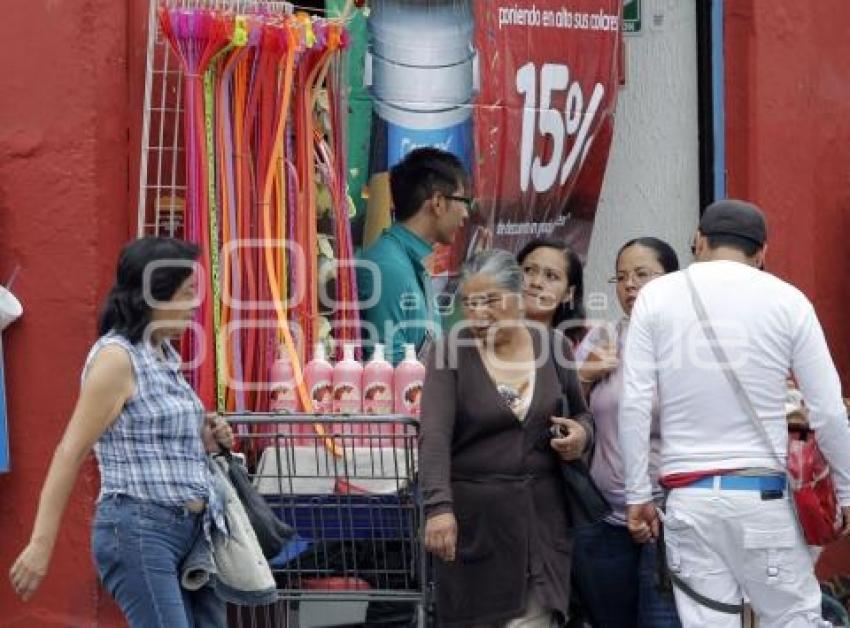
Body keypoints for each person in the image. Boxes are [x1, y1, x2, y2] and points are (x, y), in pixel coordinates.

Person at [619, 200, 850, 627]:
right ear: (761, 252)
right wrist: (846, 488)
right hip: (765, 498)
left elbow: (633, 402)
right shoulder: (788, 300)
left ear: (700, 242)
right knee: (793, 620)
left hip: (689, 501)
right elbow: (828, 411)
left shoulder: (656, 297)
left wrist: (637, 495)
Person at [9, 237, 235, 627]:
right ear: (153, 298)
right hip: (141, 530)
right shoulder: (117, 359)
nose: (195, 304)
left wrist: (207, 437)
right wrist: (41, 544)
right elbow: (70, 451)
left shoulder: (163, 355)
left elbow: (152, 437)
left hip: (191, 533)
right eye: (187, 293)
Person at [420, 249, 594, 626]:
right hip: (475, 524)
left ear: (518, 296)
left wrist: (580, 434)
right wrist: (438, 508)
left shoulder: (553, 346)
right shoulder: (449, 351)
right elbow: (434, 436)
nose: (479, 314)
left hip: (542, 522)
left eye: (491, 301)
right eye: (470, 303)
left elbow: (582, 414)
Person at [570, 237, 681, 628]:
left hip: (665, 516)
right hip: (603, 517)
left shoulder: (687, 346)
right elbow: (563, 409)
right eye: (621, 277)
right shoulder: (603, 339)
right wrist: (585, 376)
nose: (629, 285)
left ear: (672, 279)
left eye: (642, 274)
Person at [357, 147, 472, 364]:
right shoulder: (388, 268)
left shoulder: (407, 262)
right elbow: (388, 378)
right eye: (463, 202)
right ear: (438, 203)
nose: (466, 213)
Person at [517, 238, 586, 348]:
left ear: (568, 293)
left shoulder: (576, 351)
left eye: (551, 276)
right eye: (529, 270)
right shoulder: (487, 335)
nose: (536, 282)